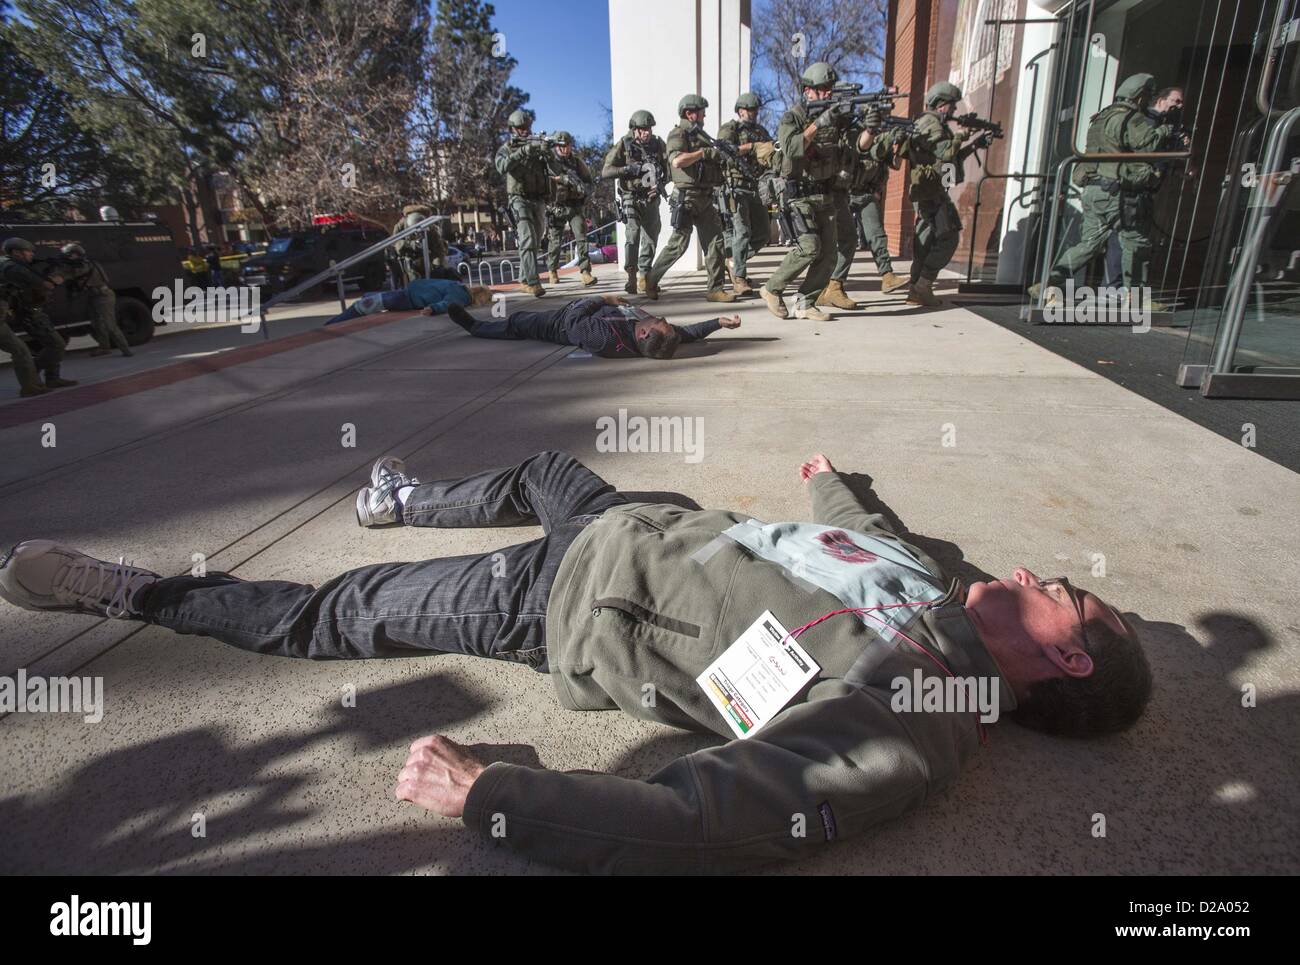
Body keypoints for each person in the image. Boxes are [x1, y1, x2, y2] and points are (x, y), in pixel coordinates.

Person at [0, 451, 1152, 874]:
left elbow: (721, 817)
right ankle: (403, 495)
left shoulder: (914, 710)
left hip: (561, 600)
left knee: (331, 614)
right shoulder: (936, 579)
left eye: (1071, 597)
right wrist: (825, 477)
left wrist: (494, 797)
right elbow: (861, 518)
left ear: (1060, 662)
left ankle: (134, 589)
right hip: (639, 518)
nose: (1050, 576)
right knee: (547, 465)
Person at [1030, 74, 1185, 310]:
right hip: (1115, 191)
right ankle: (1136, 299)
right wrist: (1166, 131)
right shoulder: (1130, 118)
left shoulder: (1101, 117)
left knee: (1090, 243)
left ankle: (1049, 283)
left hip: (1093, 190)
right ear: (1140, 95)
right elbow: (1146, 145)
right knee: (1135, 241)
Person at [761, 62, 877, 322]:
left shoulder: (839, 119)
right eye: (822, 89)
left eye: (829, 89)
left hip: (827, 194)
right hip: (798, 194)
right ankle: (771, 289)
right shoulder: (794, 116)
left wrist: (870, 128)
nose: (827, 93)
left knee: (829, 254)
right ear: (808, 91)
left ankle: (805, 302)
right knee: (810, 247)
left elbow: (859, 145)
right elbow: (792, 147)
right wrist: (819, 122)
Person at [905, 82, 993, 307]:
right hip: (930, 192)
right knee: (949, 237)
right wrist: (962, 135)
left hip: (933, 189)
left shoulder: (935, 124)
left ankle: (916, 289)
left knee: (925, 242)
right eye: (952, 106)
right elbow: (944, 152)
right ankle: (922, 285)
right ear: (941, 104)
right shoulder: (930, 123)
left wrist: (974, 145)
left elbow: (950, 159)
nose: (954, 111)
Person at [644, 94, 736, 303]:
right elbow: (677, 161)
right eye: (702, 110)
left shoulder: (701, 135)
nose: (705, 114)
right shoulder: (678, 133)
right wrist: (703, 153)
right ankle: (651, 279)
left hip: (705, 197)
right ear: (690, 113)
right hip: (686, 198)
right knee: (679, 244)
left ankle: (715, 289)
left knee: (715, 242)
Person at [446, 293, 737, 359]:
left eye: (660, 322)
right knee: (518, 319)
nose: (661, 318)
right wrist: (718, 323)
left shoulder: (603, 339)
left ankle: (474, 327)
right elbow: (685, 334)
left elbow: (572, 323)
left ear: (645, 333)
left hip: (556, 324)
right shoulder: (654, 335)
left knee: (518, 323)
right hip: (590, 313)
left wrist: (601, 299)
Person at [833, 113, 910, 301]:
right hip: (846, 193)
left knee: (877, 236)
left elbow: (896, 165)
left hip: (867, 195)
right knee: (843, 240)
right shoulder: (858, 134)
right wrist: (887, 136)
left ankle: (887, 276)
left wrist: (901, 143)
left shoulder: (883, 139)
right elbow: (866, 148)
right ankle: (833, 283)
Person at [603, 110, 668, 295]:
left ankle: (644, 276)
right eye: (642, 129)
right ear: (635, 129)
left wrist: (661, 184)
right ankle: (631, 274)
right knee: (633, 235)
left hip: (651, 196)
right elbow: (606, 171)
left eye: (648, 128)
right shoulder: (624, 144)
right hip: (630, 196)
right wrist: (627, 169)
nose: (646, 132)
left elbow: (668, 169)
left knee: (651, 237)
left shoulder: (657, 144)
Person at [0, 237, 76, 396]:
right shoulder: (13, 268)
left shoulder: (9, 265)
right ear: (16, 252)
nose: (31, 255)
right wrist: (59, 276)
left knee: (25, 349)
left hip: (13, 314)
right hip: (25, 313)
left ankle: (38, 383)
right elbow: (45, 284)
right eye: (27, 252)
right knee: (23, 350)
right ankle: (31, 386)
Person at [716, 93, 775, 295]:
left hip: (755, 186)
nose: (755, 114)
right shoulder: (730, 129)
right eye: (751, 110)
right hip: (735, 187)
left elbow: (770, 151)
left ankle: (732, 260)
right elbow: (723, 153)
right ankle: (739, 278)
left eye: (757, 111)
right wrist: (750, 147)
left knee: (763, 233)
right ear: (741, 111)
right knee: (742, 232)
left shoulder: (761, 131)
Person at [494, 110, 552, 298]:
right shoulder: (507, 148)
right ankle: (534, 282)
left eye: (526, 128)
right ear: (513, 130)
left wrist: (546, 152)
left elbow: (554, 169)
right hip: (519, 199)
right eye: (520, 128)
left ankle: (523, 279)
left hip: (538, 198)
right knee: (527, 238)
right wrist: (521, 152)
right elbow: (501, 167)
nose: (524, 131)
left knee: (536, 239)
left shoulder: (536, 146)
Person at [56, 243, 133, 358]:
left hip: (103, 296)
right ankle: (104, 347)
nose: (68, 258)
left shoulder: (85, 265)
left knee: (109, 324)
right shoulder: (82, 264)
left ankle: (125, 349)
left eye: (69, 255)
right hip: (93, 296)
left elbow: (67, 276)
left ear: (76, 254)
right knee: (97, 323)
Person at [544, 131, 597, 287]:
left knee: (582, 237)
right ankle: (552, 270)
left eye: (567, 146)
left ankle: (585, 272)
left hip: (574, 206)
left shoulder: (577, 162)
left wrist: (582, 189)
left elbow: (589, 182)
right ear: (556, 147)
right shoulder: (550, 162)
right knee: (555, 241)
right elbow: (544, 180)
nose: (565, 149)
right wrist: (559, 180)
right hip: (556, 207)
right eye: (561, 146)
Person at [325, 278, 493, 326]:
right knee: (364, 306)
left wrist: (432, 307)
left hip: (410, 292)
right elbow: (448, 304)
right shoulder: (461, 296)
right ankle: (331, 324)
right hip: (409, 298)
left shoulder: (455, 285)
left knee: (367, 304)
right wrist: (433, 309)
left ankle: (332, 323)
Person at [389, 203, 447, 285]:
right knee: (413, 283)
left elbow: (438, 249)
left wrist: (437, 265)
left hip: (425, 261)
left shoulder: (430, 227)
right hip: (408, 261)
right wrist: (411, 244)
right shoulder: (401, 225)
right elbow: (395, 243)